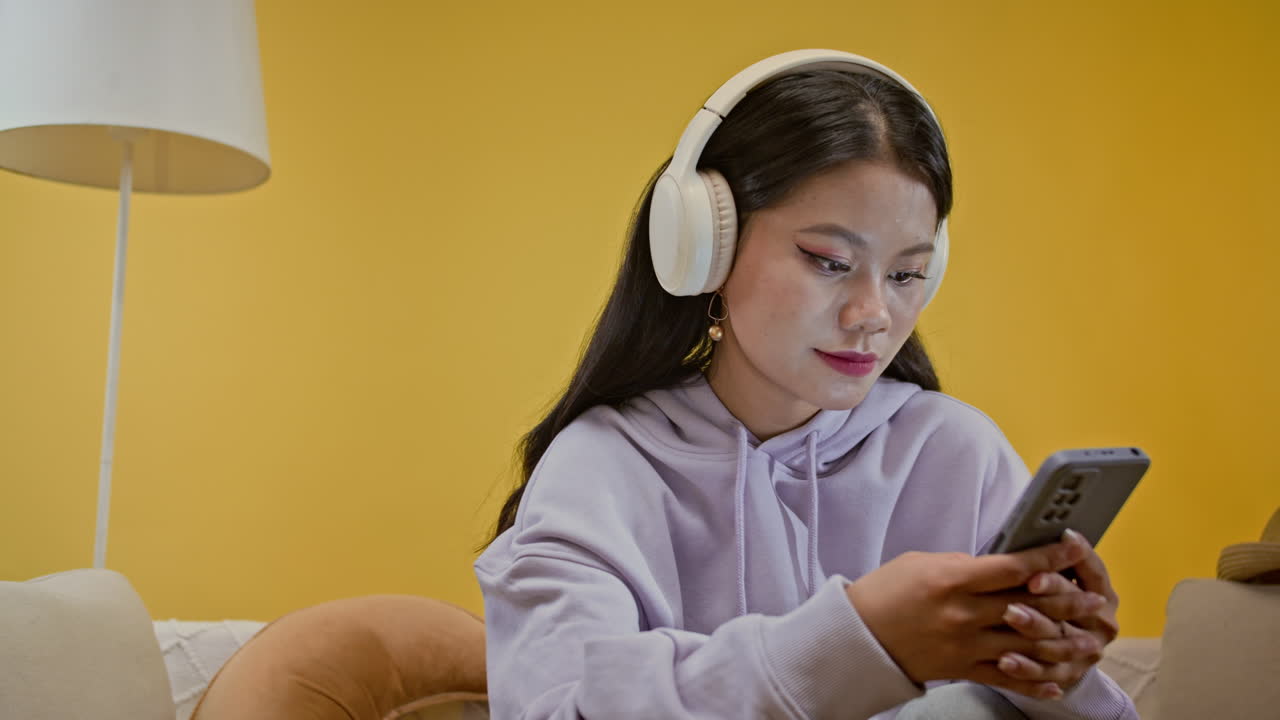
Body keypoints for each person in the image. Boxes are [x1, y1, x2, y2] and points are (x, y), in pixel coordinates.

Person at [474, 50, 1137, 720]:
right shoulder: (602, 471)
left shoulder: (955, 451)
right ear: (704, 247)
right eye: (829, 261)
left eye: (906, 274)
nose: (873, 313)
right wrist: (861, 641)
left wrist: (1057, 676)